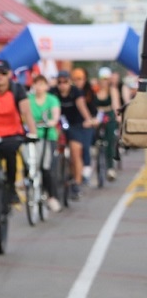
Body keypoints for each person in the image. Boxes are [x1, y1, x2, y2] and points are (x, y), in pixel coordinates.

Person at [0, 58, 38, 204]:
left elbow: (26, 113)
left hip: (12, 134)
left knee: (11, 157)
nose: (0, 76)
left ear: (9, 74)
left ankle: (11, 188)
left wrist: (33, 133)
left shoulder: (17, 90)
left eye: (3, 73)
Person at [52, 69, 95, 200]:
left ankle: (77, 182)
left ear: (69, 82)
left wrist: (88, 119)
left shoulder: (76, 92)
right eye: (59, 82)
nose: (62, 85)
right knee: (54, 147)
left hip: (76, 124)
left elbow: (82, 106)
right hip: (59, 123)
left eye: (65, 82)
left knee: (76, 152)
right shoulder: (53, 92)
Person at [27, 75, 63, 212]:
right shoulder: (29, 100)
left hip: (48, 136)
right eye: (37, 84)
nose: (39, 87)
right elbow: (24, 114)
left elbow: (55, 116)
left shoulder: (52, 99)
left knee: (46, 167)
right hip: (32, 136)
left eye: (42, 84)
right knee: (29, 164)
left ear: (47, 86)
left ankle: (52, 197)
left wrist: (52, 122)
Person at [94, 67, 123, 181]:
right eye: (103, 79)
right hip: (97, 116)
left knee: (109, 140)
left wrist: (118, 117)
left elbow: (116, 105)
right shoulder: (95, 90)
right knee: (95, 136)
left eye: (107, 79)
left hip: (109, 115)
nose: (104, 81)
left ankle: (110, 168)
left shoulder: (112, 90)